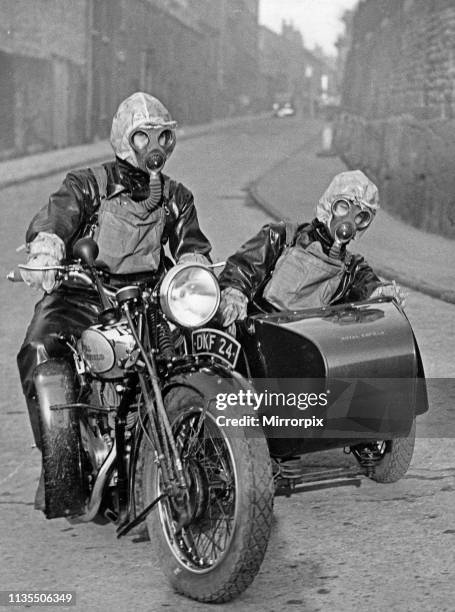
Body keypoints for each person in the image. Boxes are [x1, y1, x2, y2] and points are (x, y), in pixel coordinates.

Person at [17, 92, 212, 507]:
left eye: (164, 137)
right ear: (125, 138)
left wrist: (198, 265)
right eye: (145, 137)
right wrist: (48, 246)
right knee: (39, 348)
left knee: (203, 348)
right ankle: (61, 462)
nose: (156, 147)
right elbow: (58, 213)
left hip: (148, 298)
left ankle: (213, 448)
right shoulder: (88, 183)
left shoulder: (176, 196)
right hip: (84, 292)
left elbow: (191, 245)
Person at [219, 170, 404, 328]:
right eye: (343, 207)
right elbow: (242, 268)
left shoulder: (353, 270)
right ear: (329, 204)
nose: (349, 222)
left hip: (311, 346)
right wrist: (235, 294)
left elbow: (369, 289)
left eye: (360, 217)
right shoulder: (281, 237)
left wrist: (382, 295)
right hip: (261, 334)